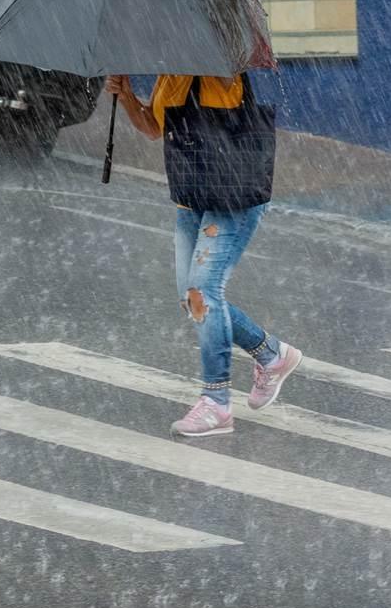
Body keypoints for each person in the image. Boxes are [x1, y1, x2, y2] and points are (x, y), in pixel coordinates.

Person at [105, 74, 302, 437]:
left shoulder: (220, 68)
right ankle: (271, 354)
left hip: (231, 198)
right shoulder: (170, 74)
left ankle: (217, 402)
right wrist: (127, 95)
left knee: (203, 293)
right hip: (192, 197)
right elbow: (153, 126)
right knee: (191, 299)